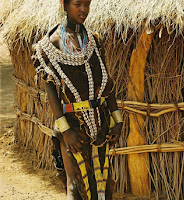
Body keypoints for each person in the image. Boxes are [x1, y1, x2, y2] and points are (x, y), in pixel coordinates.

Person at [32, 0, 123, 199]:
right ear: (64, 4)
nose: (84, 10)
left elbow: (106, 82)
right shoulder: (48, 45)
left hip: (102, 124)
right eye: (77, 4)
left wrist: (118, 122)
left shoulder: (93, 40)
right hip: (73, 127)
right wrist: (66, 132)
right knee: (75, 186)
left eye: (87, 4)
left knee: (103, 185)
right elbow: (52, 92)